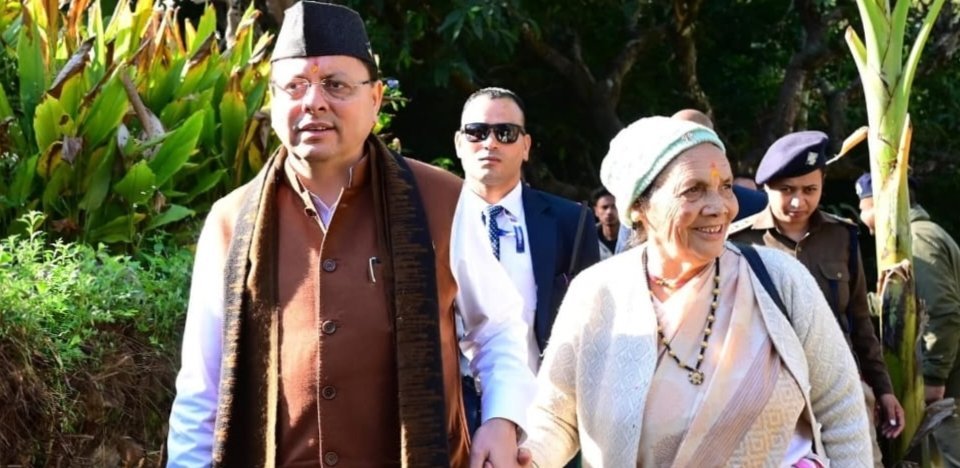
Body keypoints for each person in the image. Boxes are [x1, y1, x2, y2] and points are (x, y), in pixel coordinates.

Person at [165, 3, 535, 466]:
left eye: (335, 85)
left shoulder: (442, 200)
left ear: (375, 99)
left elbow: (497, 329)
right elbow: (202, 385)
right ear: (273, 101)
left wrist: (501, 420)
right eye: (294, 86)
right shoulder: (231, 221)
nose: (313, 102)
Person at [521, 116, 872, 466]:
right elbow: (556, 417)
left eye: (726, 187)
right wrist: (525, 459)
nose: (720, 207)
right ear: (639, 206)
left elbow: (842, 408)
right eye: (694, 189)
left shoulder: (780, 279)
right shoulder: (597, 293)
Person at [728, 131, 904, 466]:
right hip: (771, 395)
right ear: (767, 187)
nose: (798, 202)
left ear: (823, 183)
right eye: (787, 190)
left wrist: (883, 389)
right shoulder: (739, 243)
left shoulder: (842, 236)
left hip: (841, 388)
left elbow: (859, 323)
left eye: (810, 190)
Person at [453, 87, 600, 435]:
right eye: (476, 132)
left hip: (543, 416)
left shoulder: (571, 222)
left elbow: (593, 326)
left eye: (505, 133)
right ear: (459, 143)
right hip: (451, 414)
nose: (490, 143)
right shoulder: (431, 217)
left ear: (526, 146)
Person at [856, 173, 960, 467]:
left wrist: (934, 377)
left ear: (876, 204)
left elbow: (942, 311)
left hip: (947, 389)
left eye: (863, 208)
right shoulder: (925, 233)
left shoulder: (918, 238)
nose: (862, 218)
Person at [590, 188, 619, 260]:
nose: (609, 212)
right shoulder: (588, 239)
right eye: (604, 207)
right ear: (596, 211)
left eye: (614, 206)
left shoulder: (633, 237)